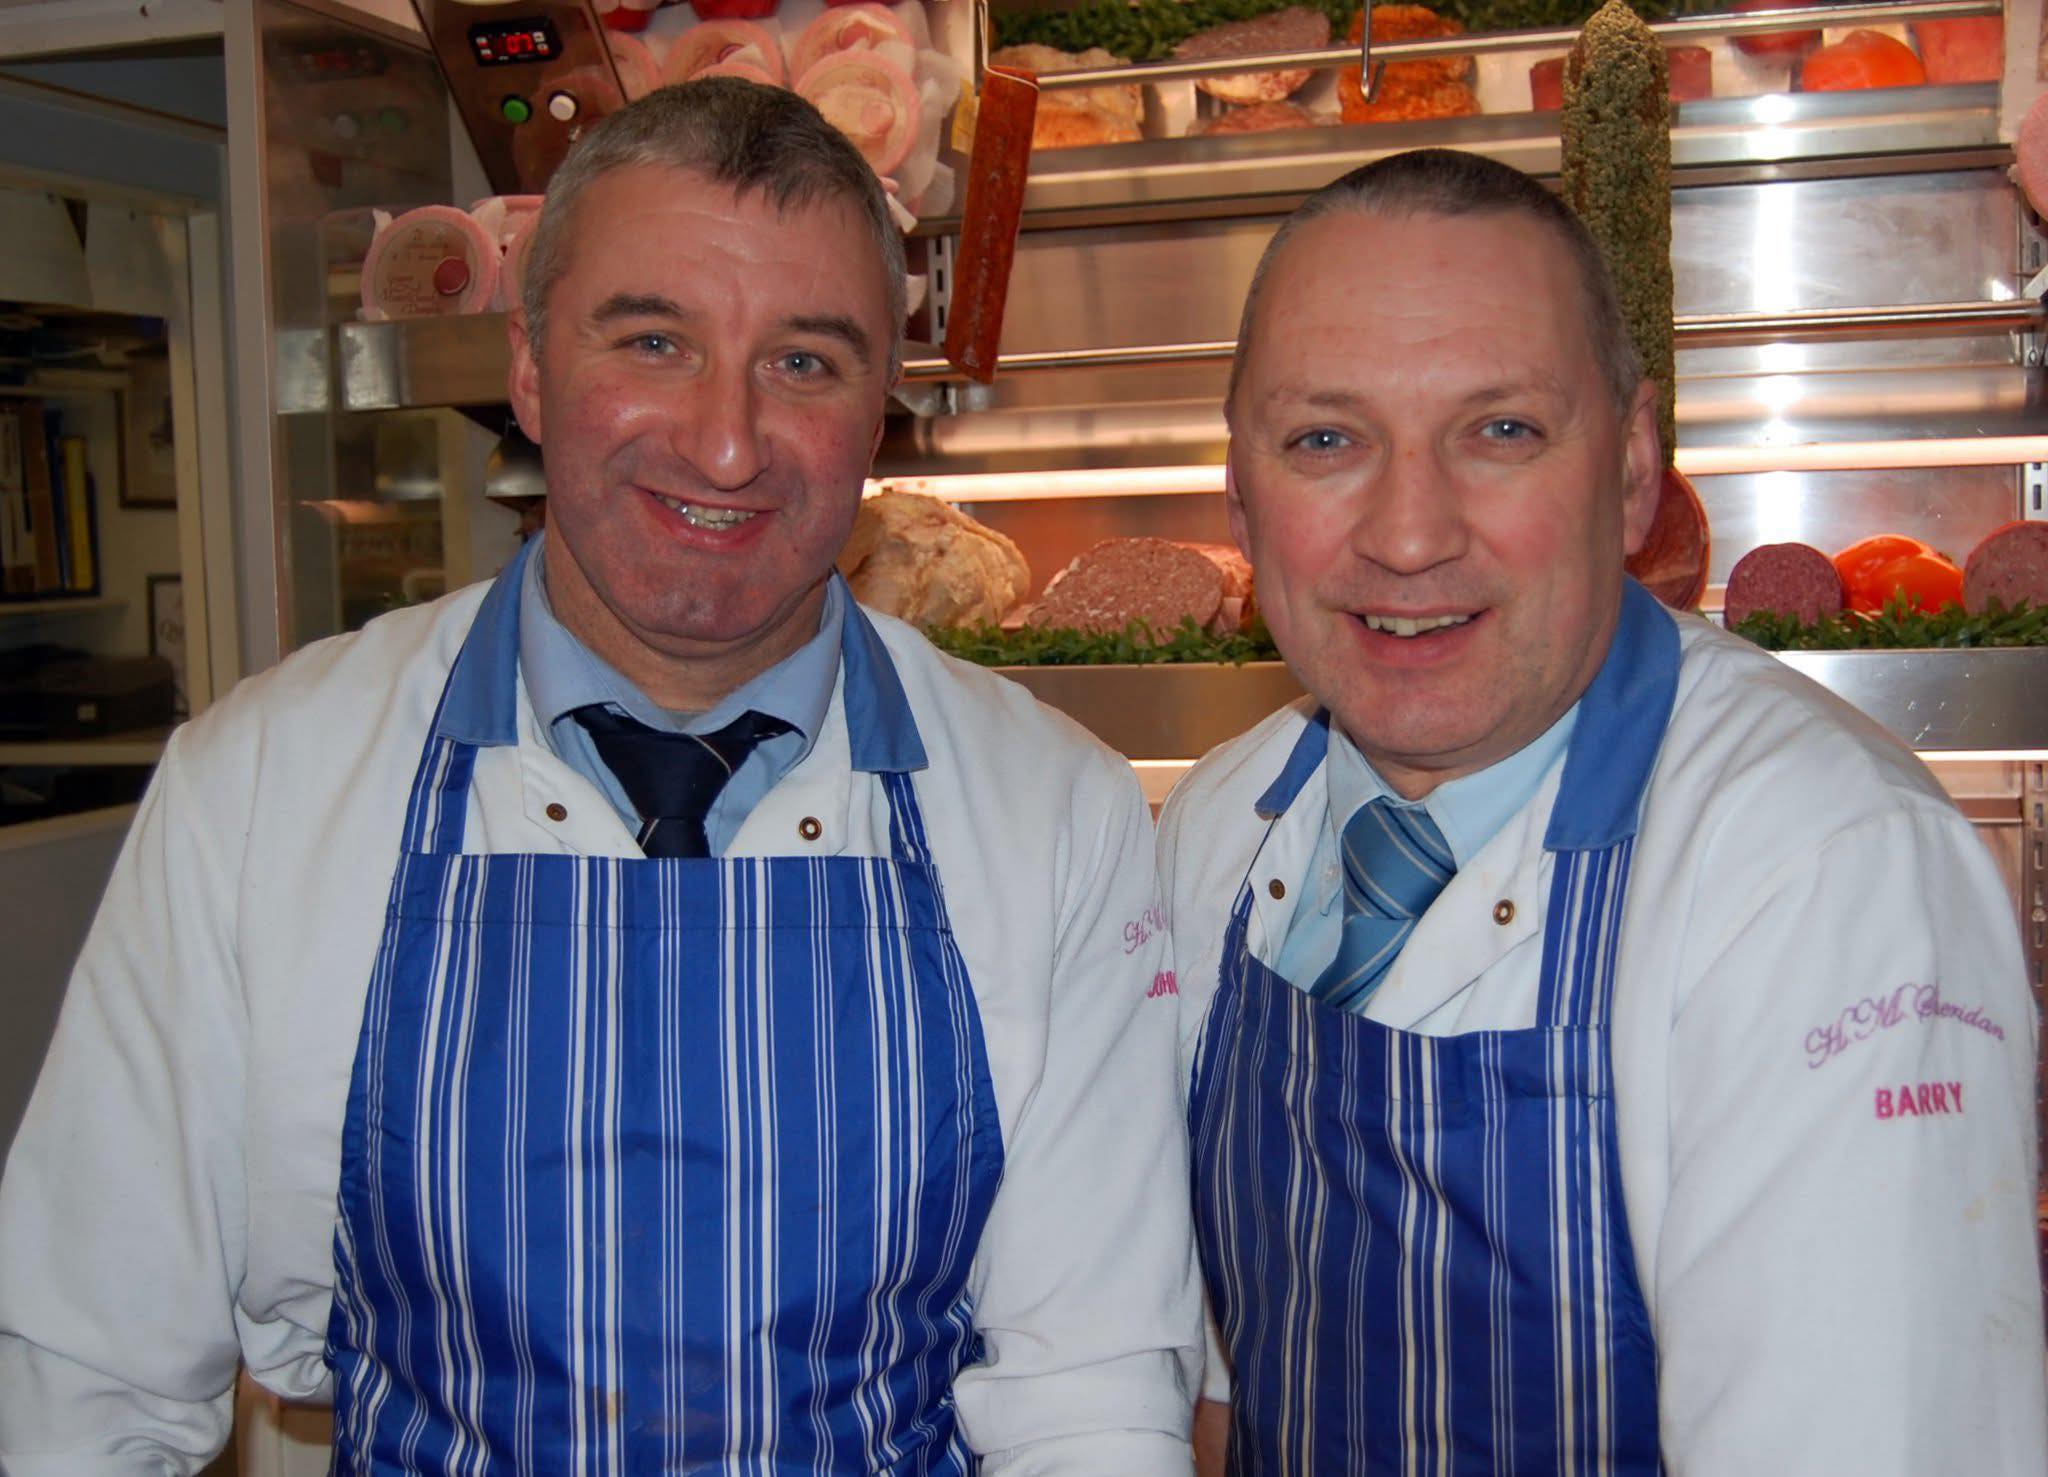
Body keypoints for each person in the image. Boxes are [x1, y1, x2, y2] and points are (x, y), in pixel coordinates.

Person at [0, 80, 1201, 1472]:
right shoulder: (259, 787)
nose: (727, 442)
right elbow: (83, 1389)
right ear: (528, 367)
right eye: (653, 340)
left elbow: (1089, 1404)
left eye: (806, 361)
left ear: (881, 405)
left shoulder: (1054, 813)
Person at [1161, 148, 2047, 1475]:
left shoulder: (1828, 875)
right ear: (1240, 491)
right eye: (1326, 440)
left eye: (1501, 430)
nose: (1409, 534)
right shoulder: (1216, 832)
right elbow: (1216, 1403)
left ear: (1634, 473)